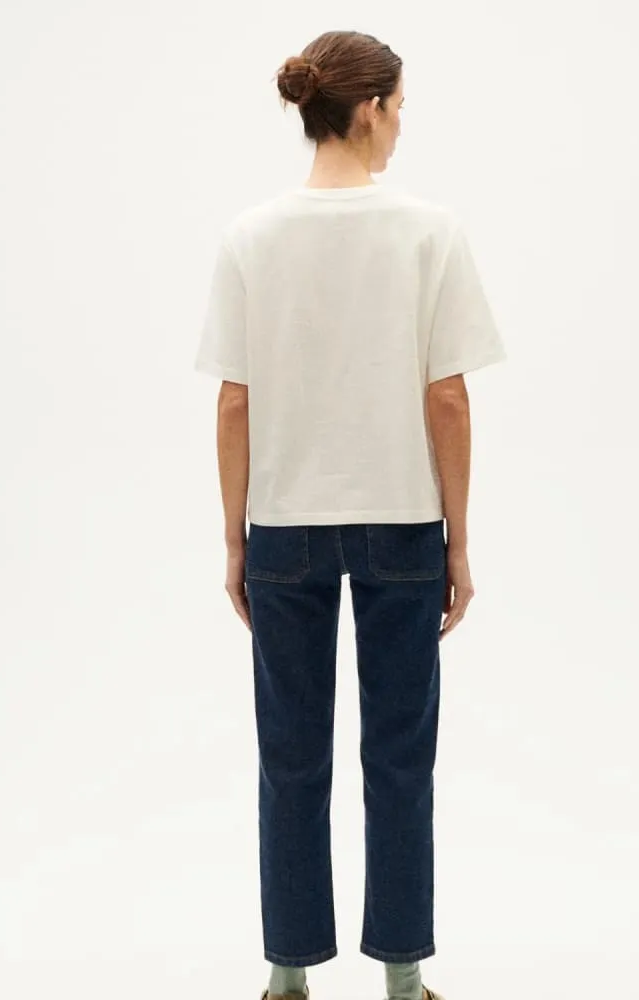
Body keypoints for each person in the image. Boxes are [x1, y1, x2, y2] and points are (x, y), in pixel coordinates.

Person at [193, 29, 506, 1000]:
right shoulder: (427, 232)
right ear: (367, 109)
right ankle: (403, 977)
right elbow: (447, 397)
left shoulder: (251, 236)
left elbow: (234, 401)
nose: (402, 124)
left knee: (290, 756)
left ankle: (287, 976)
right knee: (399, 756)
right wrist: (459, 539)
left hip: (283, 524)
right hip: (402, 520)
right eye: (399, 107)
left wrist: (234, 537)